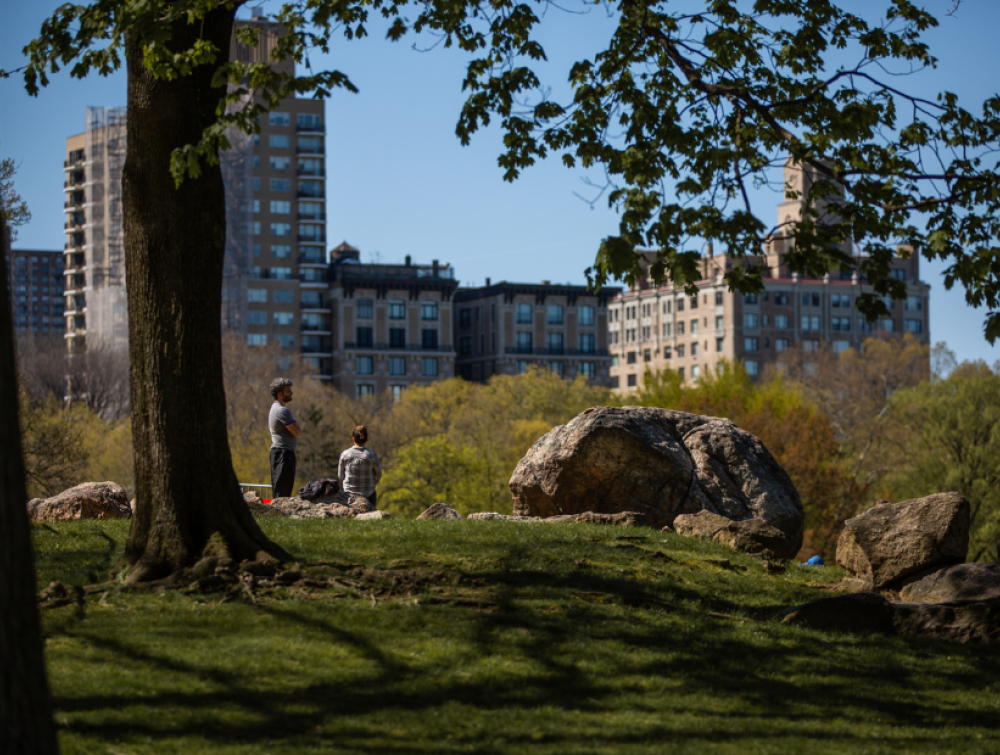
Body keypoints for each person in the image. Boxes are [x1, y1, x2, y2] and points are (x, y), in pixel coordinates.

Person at [268, 378, 301, 499]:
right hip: (283, 454)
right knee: (282, 493)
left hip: (282, 453)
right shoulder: (282, 411)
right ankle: (279, 515)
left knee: (283, 490)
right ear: (280, 394)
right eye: (288, 390)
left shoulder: (276, 408)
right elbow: (297, 431)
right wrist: (295, 425)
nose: (291, 392)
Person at [338, 425, 382, 507]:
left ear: (353, 439)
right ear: (366, 440)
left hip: (349, 494)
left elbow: (340, 476)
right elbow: (378, 475)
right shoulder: (372, 455)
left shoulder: (345, 454)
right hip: (368, 494)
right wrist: (372, 483)